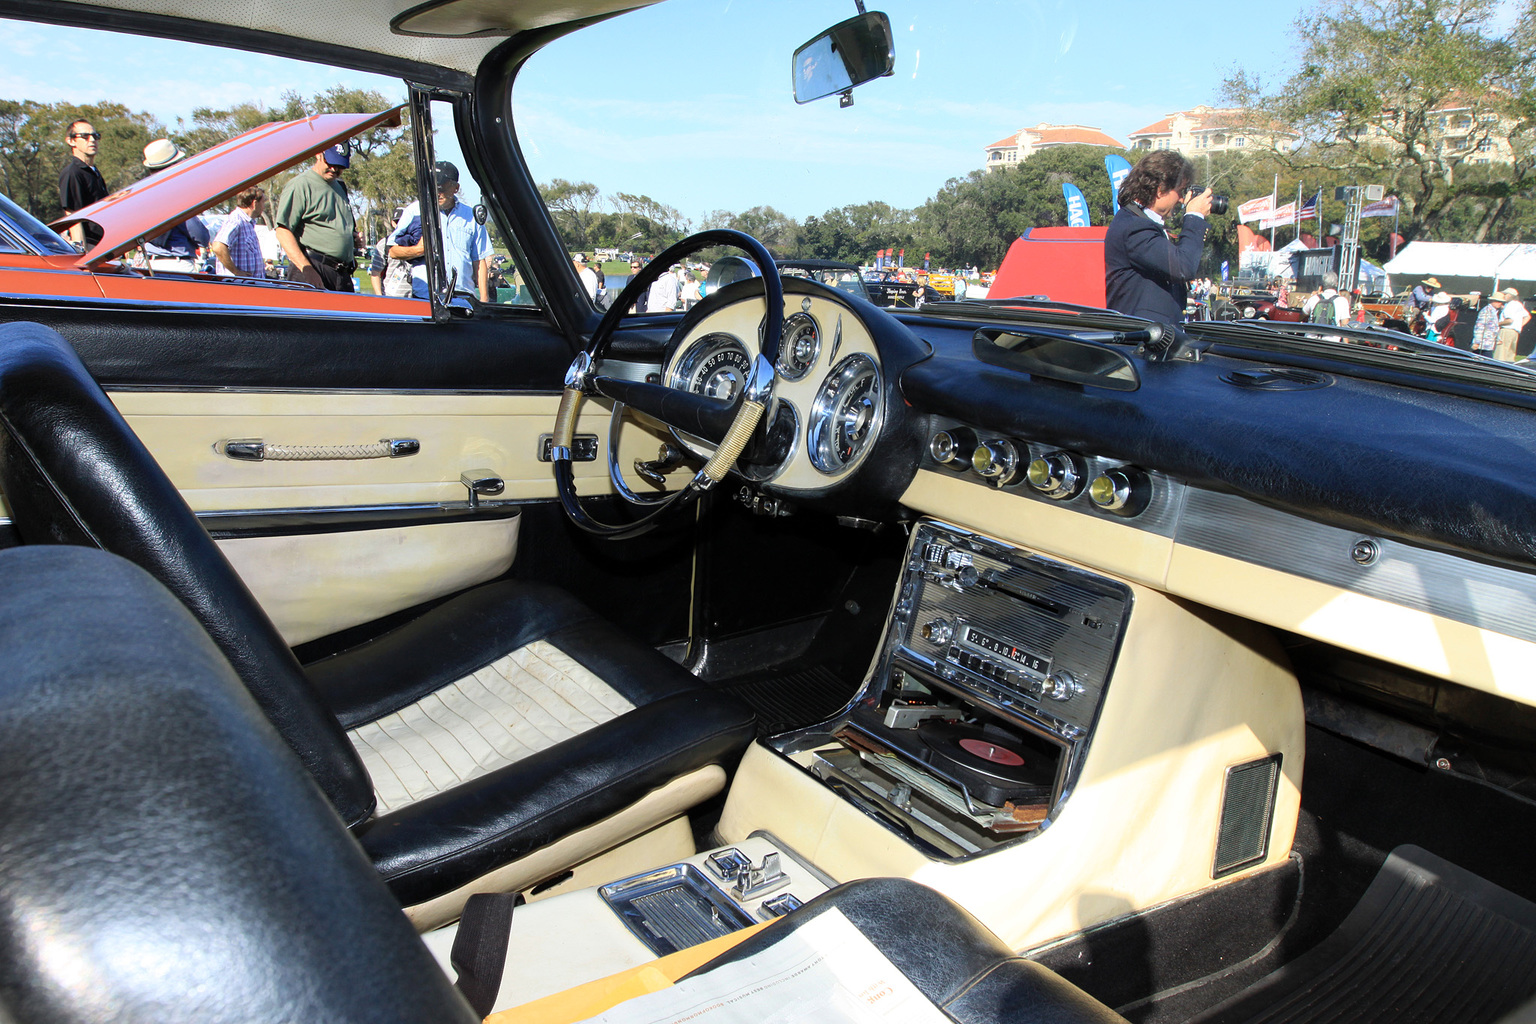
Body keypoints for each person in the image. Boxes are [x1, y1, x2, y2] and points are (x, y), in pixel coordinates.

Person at [1104, 150, 1213, 322]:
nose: (1182, 200)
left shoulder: (1139, 222)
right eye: (1180, 191)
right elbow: (1182, 267)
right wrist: (1194, 216)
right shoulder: (1135, 227)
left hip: (1152, 336)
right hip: (1142, 341)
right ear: (1161, 189)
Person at [388, 161, 491, 303]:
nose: (438, 192)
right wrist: (419, 250)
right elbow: (393, 251)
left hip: (462, 296)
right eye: (435, 187)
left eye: (443, 187)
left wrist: (484, 300)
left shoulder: (471, 216)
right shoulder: (414, 211)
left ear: (456, 188)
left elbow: (479, 260)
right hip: (426, 296)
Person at [275, 142, 360, 291]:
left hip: (341, 274)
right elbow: (283, 230)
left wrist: (353, 240)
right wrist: (306, 268)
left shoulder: (339, 187)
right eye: (331, 162)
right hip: (312, 268)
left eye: (340, 165)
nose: (335, 169)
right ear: (318, 154)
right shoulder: (301, 185)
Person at [140, 139, 211, 272]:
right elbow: (200, 235)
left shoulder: (144, 195)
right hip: (178, 264)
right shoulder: (175, 196)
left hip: (150, 263)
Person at [57, 119, 109, 250]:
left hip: (105, 243)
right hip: (90, 246)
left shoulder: (93, 171)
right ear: (71, 141)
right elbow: (73, 217)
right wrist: (83, 255)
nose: (92, 140)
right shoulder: (73, 173)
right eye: (85, 136)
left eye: (95, 136)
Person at [211, 185, 266, 278]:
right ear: (255, 203)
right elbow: (218, 246)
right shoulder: (236, 221)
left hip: (249, 286)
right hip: (238, 286)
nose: (264, 207)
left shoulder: (247, 223)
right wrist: (236, 272)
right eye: (263, 202)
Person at [1497, 288, 1529, 362]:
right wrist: (1519, 326)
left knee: (1501, 355)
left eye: (1505, 294)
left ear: (1510, 295)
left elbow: (1509, 320)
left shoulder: (1510, 305)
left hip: (1506, 331)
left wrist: (1496, 324)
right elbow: (1527, 316)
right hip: (1515, 332)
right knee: (1510, 356)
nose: (1503, 296)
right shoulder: (1518, 304)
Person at [1472, 292, 1504, 357]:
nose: (1500, 303)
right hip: (1483, 344)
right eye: (1497, 301)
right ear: (1492, 301)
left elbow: (1494, 328)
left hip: (1489, 344)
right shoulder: (1486, 311)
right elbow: (1479, 326)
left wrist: (1497, 339)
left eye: (1501, 302)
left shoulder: (1494, 312)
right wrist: (1477, 342)